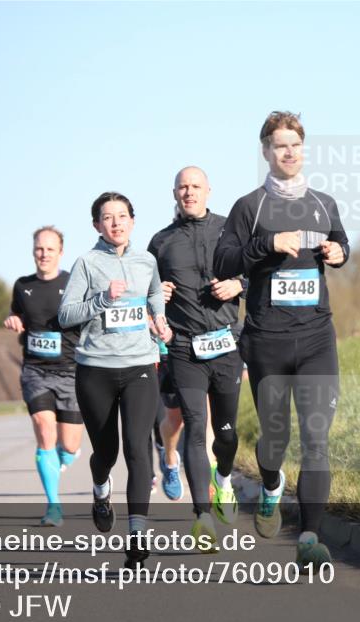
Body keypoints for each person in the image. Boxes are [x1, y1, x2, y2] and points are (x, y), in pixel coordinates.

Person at [214, 112, 350, 567]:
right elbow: (224, 260)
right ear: (266, 152)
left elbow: (341, 244)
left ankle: (310, 538)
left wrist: (339, 252)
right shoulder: (248, 207)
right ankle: (270, 482)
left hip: (315, 338)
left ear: (303, 149)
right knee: (275, 439)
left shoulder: (324, 203)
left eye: (295, 144)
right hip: (267, 340)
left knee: (316, 438)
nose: (288, 152)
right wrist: (267, 245)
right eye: (279, 145)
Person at [58, 192, 171, 568]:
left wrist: (161, 321)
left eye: (122, 216)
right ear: (97, 226)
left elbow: (154, 295)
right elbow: (66, 315)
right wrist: (102, 300)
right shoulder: (87, 264)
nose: (116, 223)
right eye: (108, 218)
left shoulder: (146, 260)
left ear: (133, 221)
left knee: (138, 450)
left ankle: (137, 538)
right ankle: (101, 490)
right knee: (106, 452)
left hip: (140, 364)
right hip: (96, 371)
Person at [148, 166, 245, 550]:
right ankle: (202, 517)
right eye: (183, 187)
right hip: (185, 346)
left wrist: (241, 283)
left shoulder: (230, 231)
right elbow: (146, 293)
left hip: (226, 343)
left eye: (196, 187)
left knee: (226, 433)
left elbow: (258, 270)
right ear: (174, 193)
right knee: (193, 423)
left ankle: (224, 481)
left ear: (209, 191)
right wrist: (159, 296)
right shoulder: (160, 242)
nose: (189, 192)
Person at [4, 226, 84, 528]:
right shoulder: (22, 286)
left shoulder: (73, 283)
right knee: (43, 428)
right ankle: (53, 506)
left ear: (60, 252)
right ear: (33, 251)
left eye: (50, 249)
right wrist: (15, 320)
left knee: (70, 445)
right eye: (39, 248)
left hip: (71, 371)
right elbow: (19, 316)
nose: (44, 254)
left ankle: (66, 457)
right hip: (36, 370)